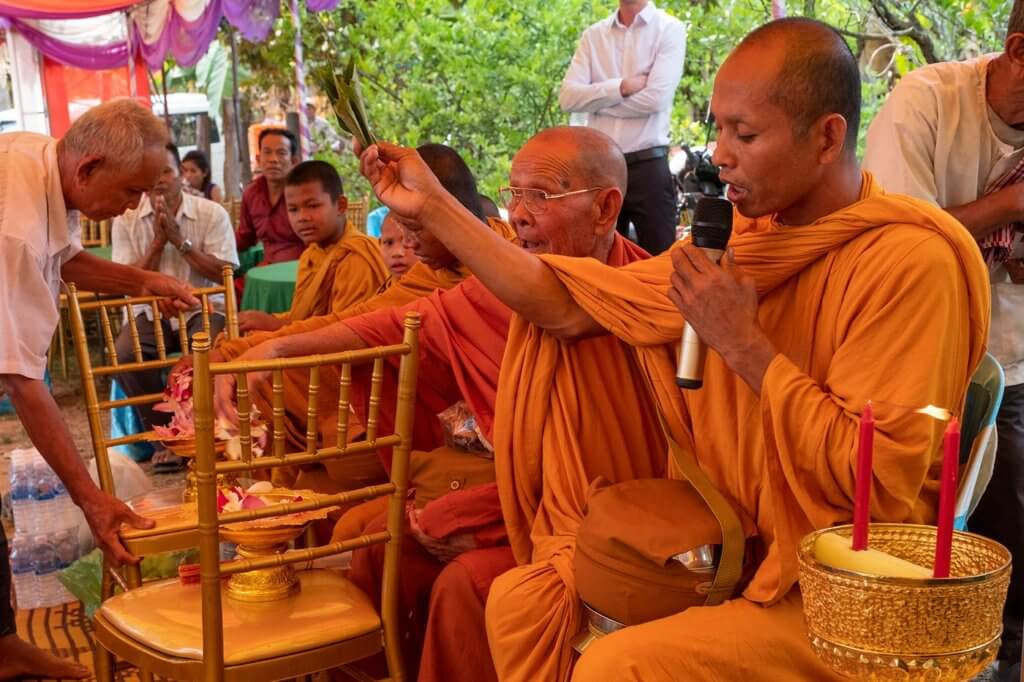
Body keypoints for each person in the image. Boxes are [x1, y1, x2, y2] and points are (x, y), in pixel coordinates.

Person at [358, 18, 991, 681]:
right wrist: (431, 205)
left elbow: (875, 483)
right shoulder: (741, 241)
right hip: (734, 535)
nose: (720, 153)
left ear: (827, 137)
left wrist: (743, 346)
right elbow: (572, 305)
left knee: (616, 667)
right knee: (523, 599)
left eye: (744, 135)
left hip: (839, 584)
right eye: (717, 129)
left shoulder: (909, 262)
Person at [228, 126, 649, 682]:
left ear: (605, 209)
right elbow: (389, 326)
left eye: (539, 198)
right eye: (514, 194)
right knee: (383, 552)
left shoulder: (638, 292)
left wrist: (475, 514)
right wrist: (275, 345)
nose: (519, 214)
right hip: (512, 485)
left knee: (462, 581)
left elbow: (612, 474)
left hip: (591, 517)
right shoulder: (498, 284)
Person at [0, 98, 196, 680]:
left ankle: (4, 647)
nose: (135, 206)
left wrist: (141, 279)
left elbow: (69, 260)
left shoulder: (40, 158)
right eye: (132, 192)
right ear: (87, 170)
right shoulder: (18, 232)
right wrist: (91, 497)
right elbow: (22, 382)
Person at [197, 145, 514, 491]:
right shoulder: (429, 272)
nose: (407, 245)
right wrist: (244, 350)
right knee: (302, 483)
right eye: (396, 232)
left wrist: (266, 347)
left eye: (414, 227)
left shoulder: (510, 269)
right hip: (435, 427)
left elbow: (365, 325)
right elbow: (353, 320)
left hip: (485, 439)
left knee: (325, 484)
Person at [862, 4, 1024, 676]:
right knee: (899, 519)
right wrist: (1011, 206)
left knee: (1009, 512)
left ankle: (998, 654)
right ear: (1018, 49)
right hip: (908, 355)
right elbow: (901, 241)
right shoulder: (925, 102)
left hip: (1008, 356)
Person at [111, 142, 239, 470]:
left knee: (207, 346)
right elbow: (125, 277)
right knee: (125, 353)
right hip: (147, 310)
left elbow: (224, 271)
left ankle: (202, 435)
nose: (159, 179)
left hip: (202, 306)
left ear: (180, 173)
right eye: (150, 173)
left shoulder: (212, 213)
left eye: (166, 170)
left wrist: (180, 241)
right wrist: (157, 242)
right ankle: (166, 437)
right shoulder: (125, 218)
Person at [559, 0, 686, 255]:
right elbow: (568, 98)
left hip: (648, 165)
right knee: (595, 259)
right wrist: (622, 87)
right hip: (599, 166)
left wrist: (596, 103)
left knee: (659, 260)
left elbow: (655, 99)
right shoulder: (593, 36)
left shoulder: (669, 28)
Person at [234, 160, 388, 336]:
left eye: (313, 206)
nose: (302, 217)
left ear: (341, 206)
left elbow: (343, 333)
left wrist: (275, 325)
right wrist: (267, 320)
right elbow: (300, 317)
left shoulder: (357, 257)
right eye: (293, 209)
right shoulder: (311, 254)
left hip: (338, 358)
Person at [236, 128, 305, 264]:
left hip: (305, 267)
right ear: (258, 159)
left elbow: (321, 241)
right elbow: (244, 238)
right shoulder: (251, 193)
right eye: (267, 152)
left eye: (281, 153)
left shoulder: (304, 192)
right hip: (267, 268)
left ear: (294, 160)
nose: (273, 159)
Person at [379, 212, 420, 279]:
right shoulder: (386, 288)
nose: (397, 253)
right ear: (380, 244)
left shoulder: (440, 286)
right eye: (389, 243)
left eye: (409, 240)